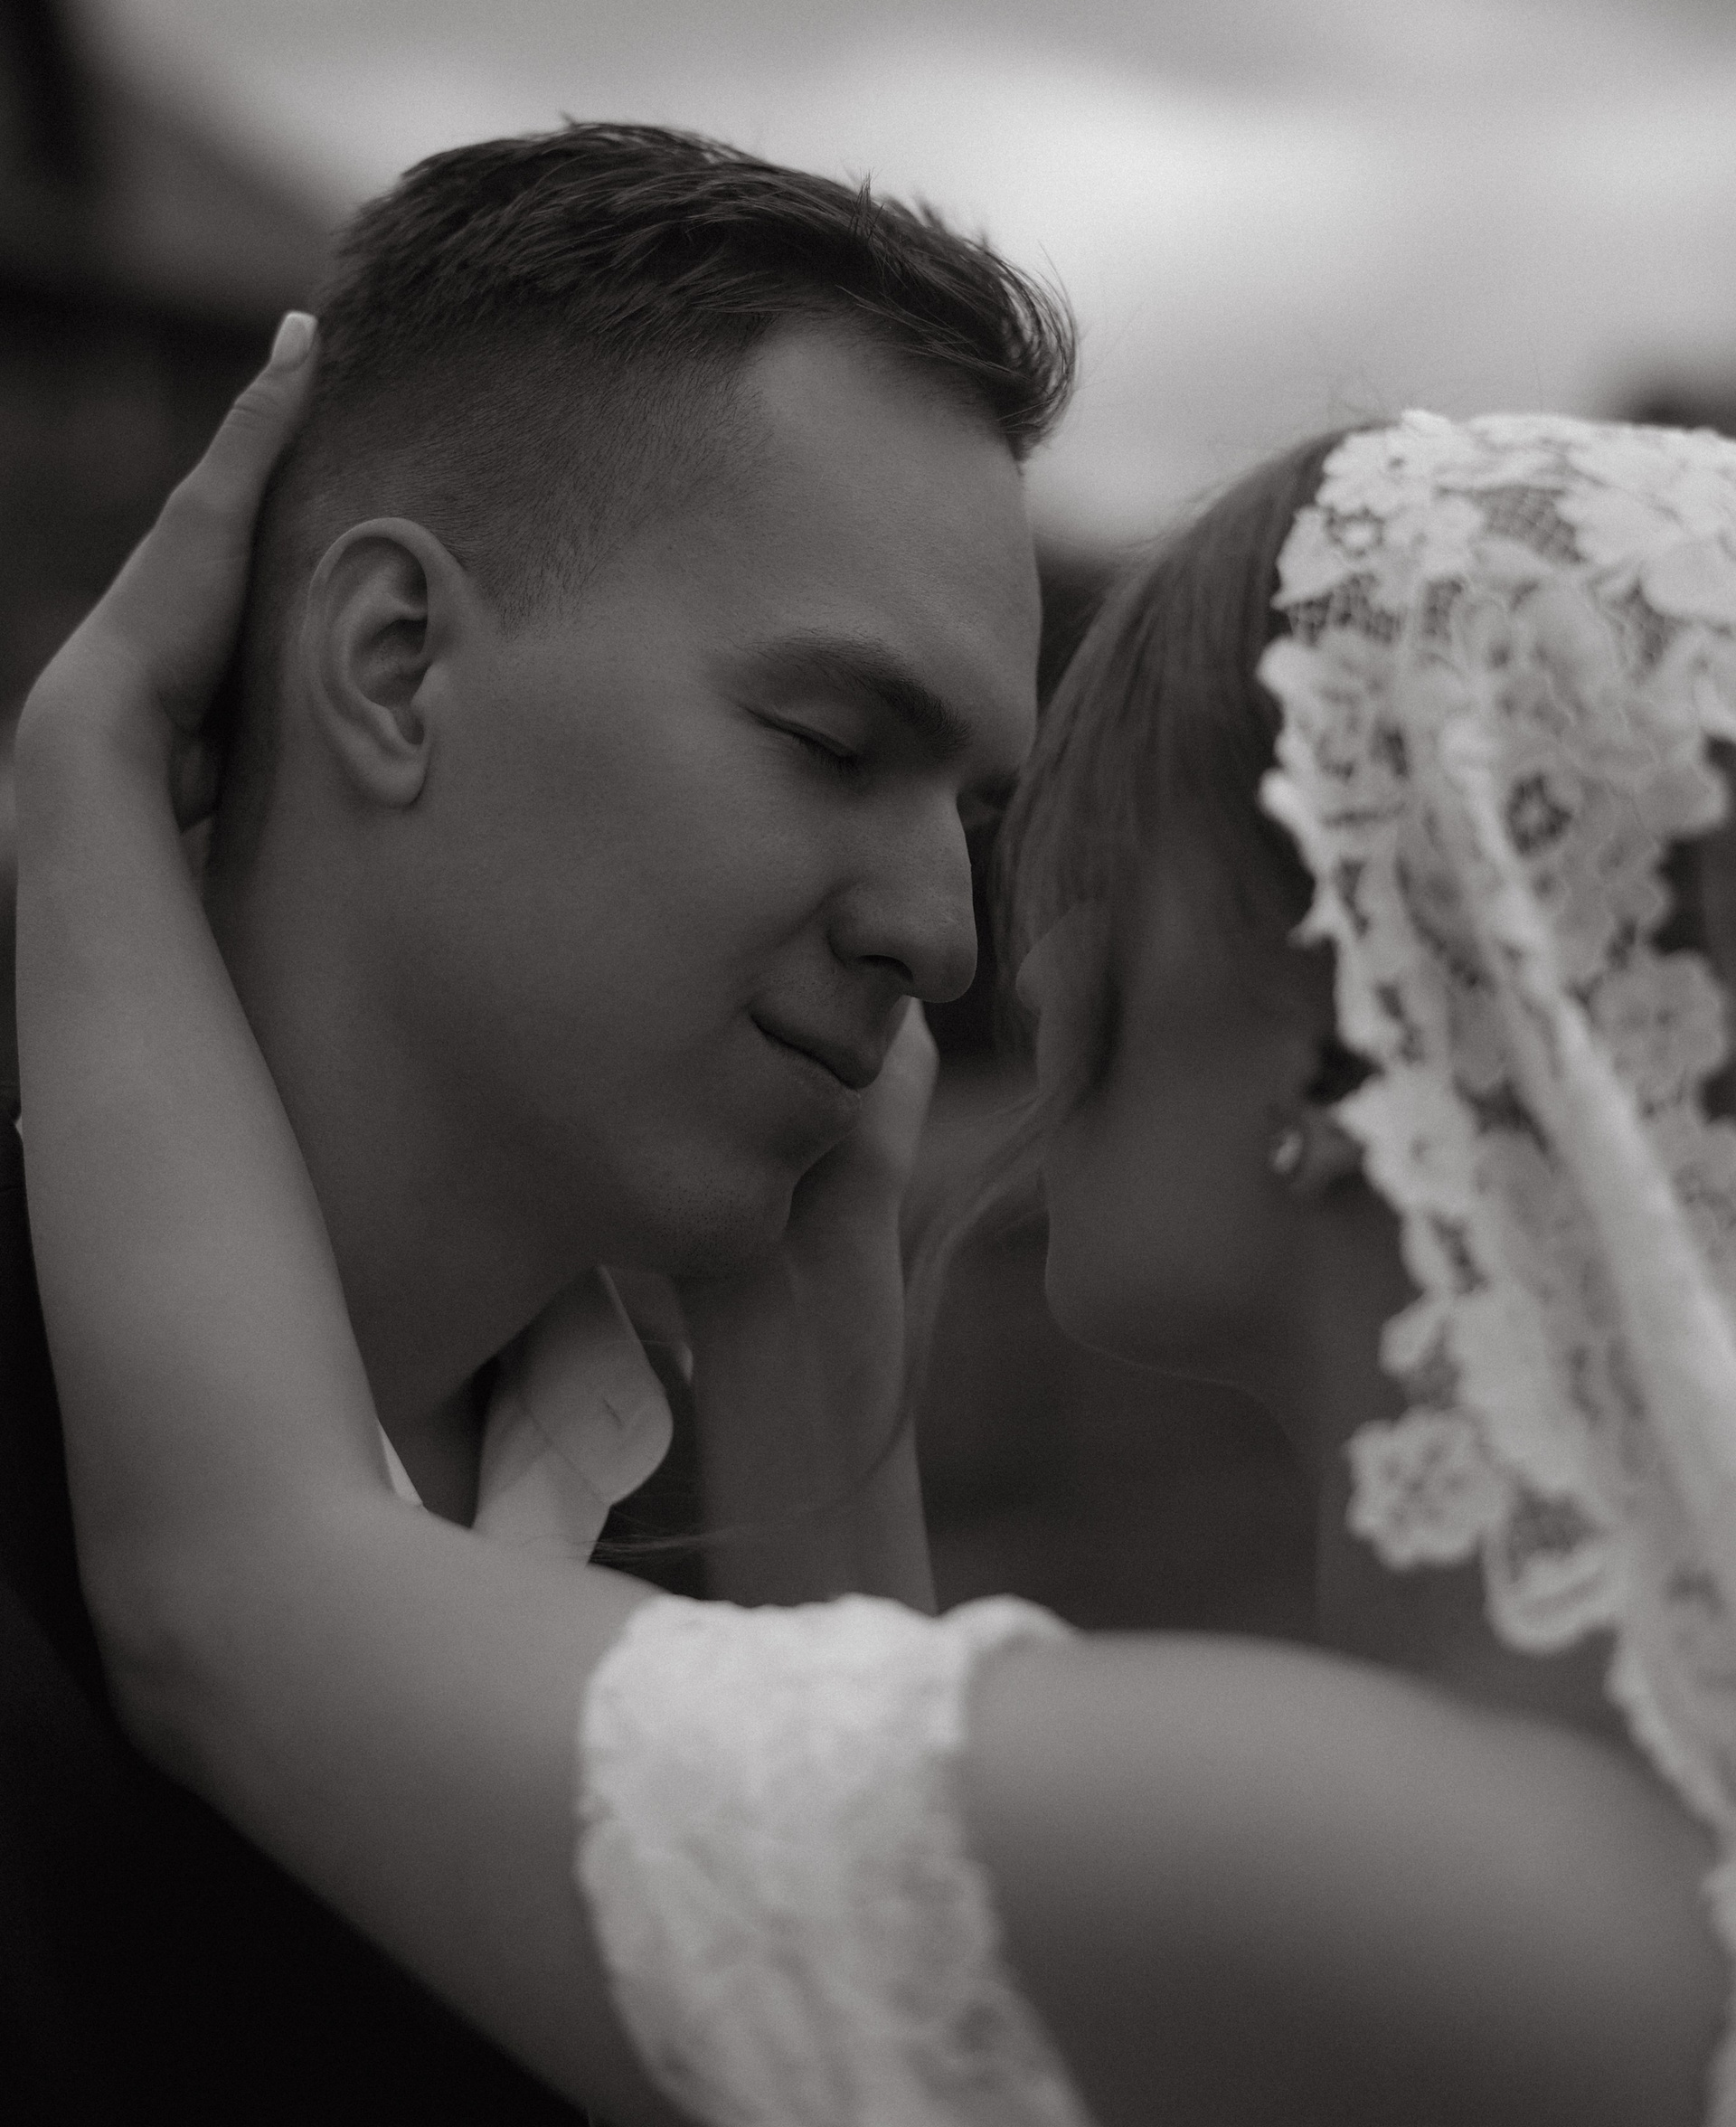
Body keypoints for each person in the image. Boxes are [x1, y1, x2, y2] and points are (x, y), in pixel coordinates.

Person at [18, 373, 1735, 2124]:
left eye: (1095, 858)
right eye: (835, 750)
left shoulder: (1397, 1875)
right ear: (391, 665)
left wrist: (86, 770)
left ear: (1335, 1025)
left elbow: (236, 1591)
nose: (989, 955)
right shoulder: (1606, 1825)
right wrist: (803, 1276)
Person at [0, 119, 1071, 2121]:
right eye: (833, 742)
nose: (942, 934)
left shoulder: (731, 1577)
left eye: (973, 813)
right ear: (396, 665)